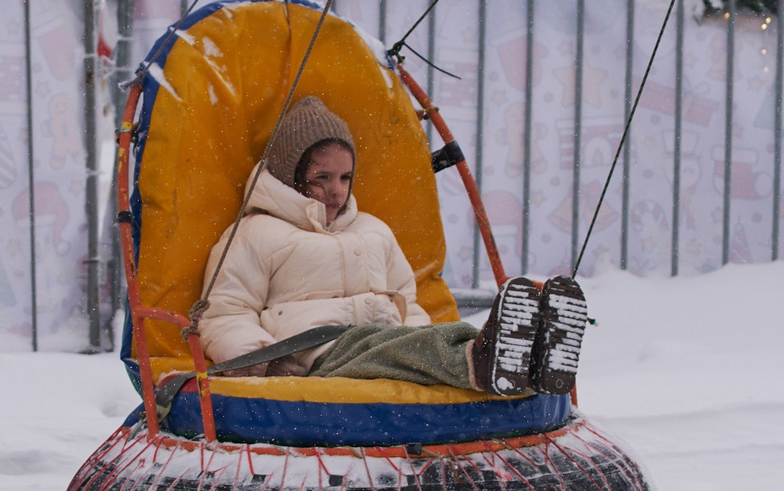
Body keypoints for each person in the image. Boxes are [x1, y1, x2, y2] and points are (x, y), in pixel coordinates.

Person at [191, 97, 588, 397]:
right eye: (320, 177)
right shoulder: (257, 233)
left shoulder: (373, 231)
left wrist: (415, 335)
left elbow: (406, 303)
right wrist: (258, 358)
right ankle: (484, 360)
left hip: (383, 338)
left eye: (345, 177)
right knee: (391, 349)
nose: (336, 190)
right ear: (290, 176)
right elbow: (225, 310)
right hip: (312, 352)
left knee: (427, 340)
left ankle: (531, 358)